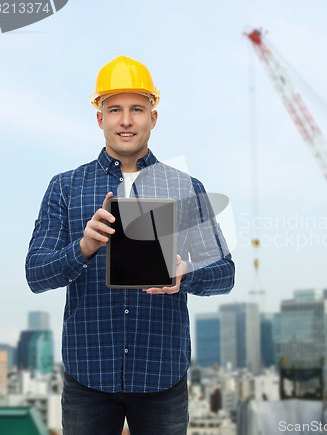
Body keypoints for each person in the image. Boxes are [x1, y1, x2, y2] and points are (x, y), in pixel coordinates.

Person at [25, 56, 235, 435]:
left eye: (137, 109)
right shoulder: (65, 187)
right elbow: (36, 273)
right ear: (100, 118)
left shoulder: (184, 187)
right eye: (115, 109)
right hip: (88, 376)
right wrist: (84, 247)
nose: (126, 120)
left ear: (152, 117)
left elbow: (225, 274)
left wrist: (186, 273)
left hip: (162, 377)